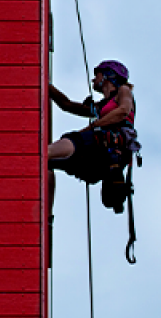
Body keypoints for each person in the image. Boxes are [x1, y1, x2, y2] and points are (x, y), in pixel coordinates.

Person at [48, 60, 140, 214]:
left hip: (109, 143)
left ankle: (44, 152)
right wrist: (46, 85)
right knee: (49, 164)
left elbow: (123, 110)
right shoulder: (101, 106)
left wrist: (93, 126)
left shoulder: (123, 91)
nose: (93, 79)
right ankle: (47, 216)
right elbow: (67, 105)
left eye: (97, 74)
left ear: (108, 75)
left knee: (74, 139)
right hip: (100, 157)